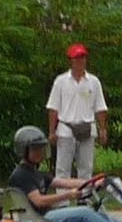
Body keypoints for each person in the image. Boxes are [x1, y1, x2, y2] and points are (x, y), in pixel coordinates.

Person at [9, 126, 122, 222]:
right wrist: (68, 195)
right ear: (23, 150)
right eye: (35, 149)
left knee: (97, 214)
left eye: (40, 148)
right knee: (85, 212)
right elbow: (39, 201)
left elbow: (64, 182)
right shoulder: (21, 175)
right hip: (38, 219)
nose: (39, 152)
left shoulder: (36, 172)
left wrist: (93, 183)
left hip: (45, 215)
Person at [46, 43, 109, 181]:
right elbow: (53, 107)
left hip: (87, 127)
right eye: (77, 58)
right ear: (71, 60)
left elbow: (100, 107)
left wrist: (103, 129)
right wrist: (52, 131)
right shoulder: (61, 81)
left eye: (82, 57)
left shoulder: (93, 81)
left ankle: (84, 199)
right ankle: (62, 201)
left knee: (86, 168)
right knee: (63, 169)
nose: (80, 61)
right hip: (66, 128)